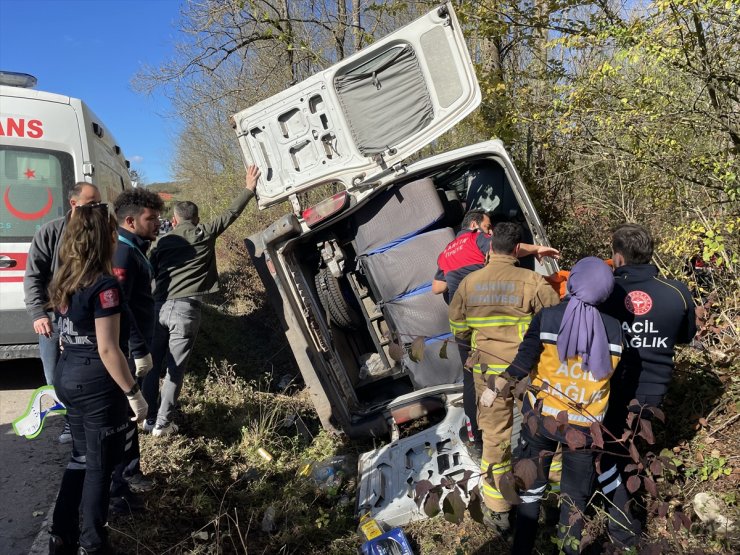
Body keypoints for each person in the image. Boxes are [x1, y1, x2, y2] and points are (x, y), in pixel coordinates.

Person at [493, 257, 623, 554]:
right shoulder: (615, 329)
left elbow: (524, 360)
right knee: (574, 500)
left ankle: (522, 548)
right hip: (584, 426)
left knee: (530, 491)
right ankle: (569, 549)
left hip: (540, 418)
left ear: (574, 280)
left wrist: (500, 384)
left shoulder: (548, 317)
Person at [46, 202, 148, 555]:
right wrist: (133, 392)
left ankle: (60, 536)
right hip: (96, 386)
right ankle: (93, 544)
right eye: (111, 231)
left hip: (68, 376)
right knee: (99, 468)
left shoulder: (65, 278)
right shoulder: (104, 285)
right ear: (103, 237)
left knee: (80, 459)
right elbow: (108, 349)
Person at [448, 221, 560, 533]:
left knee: (495, 440)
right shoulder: (533, 281)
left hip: (489, 375)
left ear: (492, 246)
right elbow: (555, 323)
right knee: (545, 431)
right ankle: (552, 500)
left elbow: (458, 328)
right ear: (516, 249)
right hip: (528, 371)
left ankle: (497, 508)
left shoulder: (469, 283)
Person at [143, 165, 261, 436]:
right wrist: (248, 188)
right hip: (186, 310)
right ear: (196, 219)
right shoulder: (204, 233)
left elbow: (149, 272)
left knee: (152, 366)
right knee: (175, 369)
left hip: (158, 308)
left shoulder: (161, 242)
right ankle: (162, 423)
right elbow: (230, 214)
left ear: (174, 220)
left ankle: (148, 417)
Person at [598, 224, 696, 547]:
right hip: (655, 396)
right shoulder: (677, 291)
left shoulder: (606, 292)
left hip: (612, 393)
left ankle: (624, 529)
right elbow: (685, 336)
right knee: (632, 449)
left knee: (613, 455)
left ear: (618, 257)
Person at [433, 210, 560, 458]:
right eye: (487, 226)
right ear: (474, 225)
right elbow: (502, 246)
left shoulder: (447, 252)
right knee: (536, 414)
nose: (488, 231)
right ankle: (548, 469)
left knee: (472, 383)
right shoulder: (475, 238)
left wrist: (468, 343)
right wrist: (537, 249)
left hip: (479, 342)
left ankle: (476, 436)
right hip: (519, 358)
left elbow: (438, 287)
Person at [24, 182, 102, 444]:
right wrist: (38, 313)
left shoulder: (98, 233)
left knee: (86, 373)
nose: (97, 209)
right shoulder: (49, 232)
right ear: (74, 204)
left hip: (85, 319)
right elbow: (33, 276)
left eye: (99, 204)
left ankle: (84, 422)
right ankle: (69, 422)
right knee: (55, 374)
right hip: (53, 319)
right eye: (92, 204)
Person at [108, 188, 164, 509]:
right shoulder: (123, 253)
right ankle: (124, 481)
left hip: (136, 347)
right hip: (129, 351)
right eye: (151, 218)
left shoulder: (135, 247)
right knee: (127, 415)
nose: (157, 223)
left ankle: (130, 472)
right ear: (130, 221)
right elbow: (121, 306)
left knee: (131, 415)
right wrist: (138, 349)